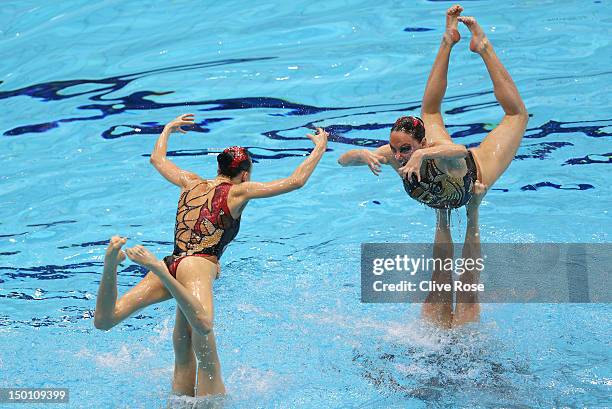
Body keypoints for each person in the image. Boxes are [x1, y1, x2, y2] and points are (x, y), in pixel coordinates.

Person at [94, 113, 328, 396]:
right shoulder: (239, 191)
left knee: (108, 320)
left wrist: (167, 129)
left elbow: (157, 160)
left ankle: (110, 265)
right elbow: (296, 180)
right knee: (202, 326)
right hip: (197, 265)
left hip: (173, 261)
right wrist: (319, 149)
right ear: (244, 173)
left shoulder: (190, 181)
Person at [338, 5, 528, 328]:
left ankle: (482, 47)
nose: (398, 156)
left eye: (405, 150)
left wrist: (425, 156)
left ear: (421, 145)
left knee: (517, 116)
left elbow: (462, 151)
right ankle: (448, 38)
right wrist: (362, 155)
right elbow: (342, 161)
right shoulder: (397, 154)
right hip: (439, 180)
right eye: (395, 149)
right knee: (429, 111)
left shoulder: (438, 154)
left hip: (471, 176)